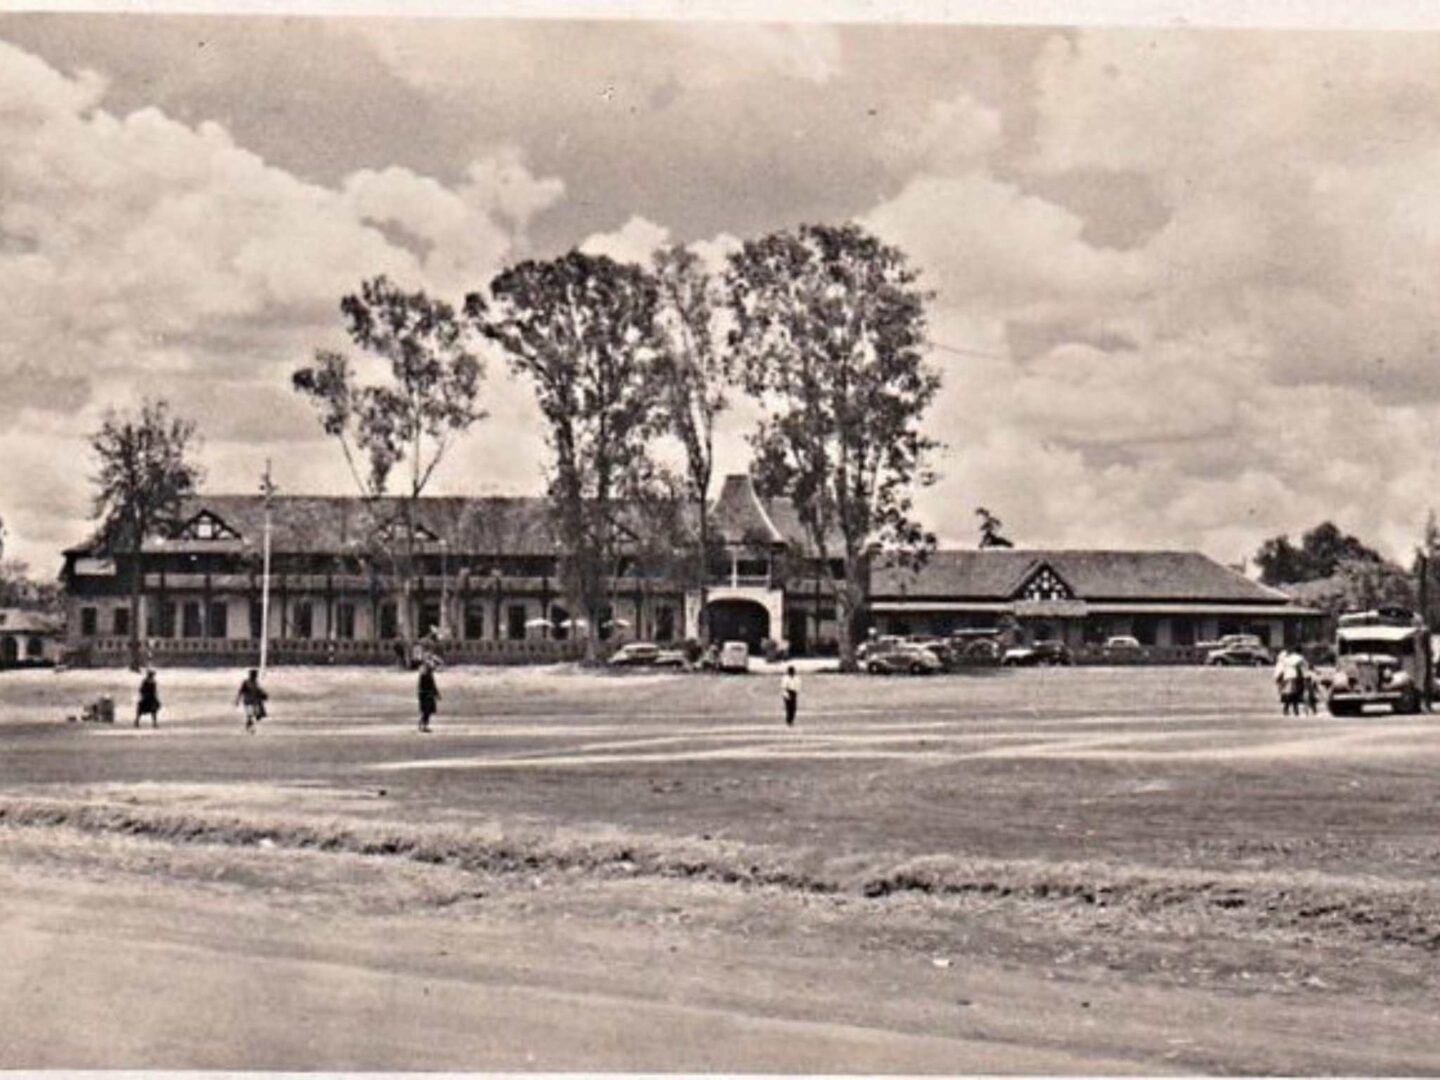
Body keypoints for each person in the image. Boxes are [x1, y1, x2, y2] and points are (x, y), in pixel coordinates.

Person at [1274, 647, 1307, 716]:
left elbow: (1282, 667)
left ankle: (1294, 710)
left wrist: (1279, 677)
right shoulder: (1299, 657)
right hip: (1293, 677)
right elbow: (1306, 665)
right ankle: (1288, 709)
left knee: (1292, 693)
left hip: (1287, 676)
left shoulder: (1288, 658)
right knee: (1292, 694)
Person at [236, 668, 268, 733]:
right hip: (248, 702)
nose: (255, 676)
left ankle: (249, 726)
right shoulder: (246, 682)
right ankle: (250, 728)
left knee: (256, 715)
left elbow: (258, 690)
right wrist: (237, 700)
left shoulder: (254, 682)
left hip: (253, 702)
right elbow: (241, 691)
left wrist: (264, 694)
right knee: (250, 715)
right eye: (255, 675)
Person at [418, 659, 440, 733]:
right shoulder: (426, 674)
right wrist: (436, 694)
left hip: (426, 694)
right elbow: (431, 685)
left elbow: (432, 685)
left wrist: (436, 694)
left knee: (427, 711)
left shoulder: (426, 674)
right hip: (426, 695)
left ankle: (422, 723)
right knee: (427, 711)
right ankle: (424, 725)